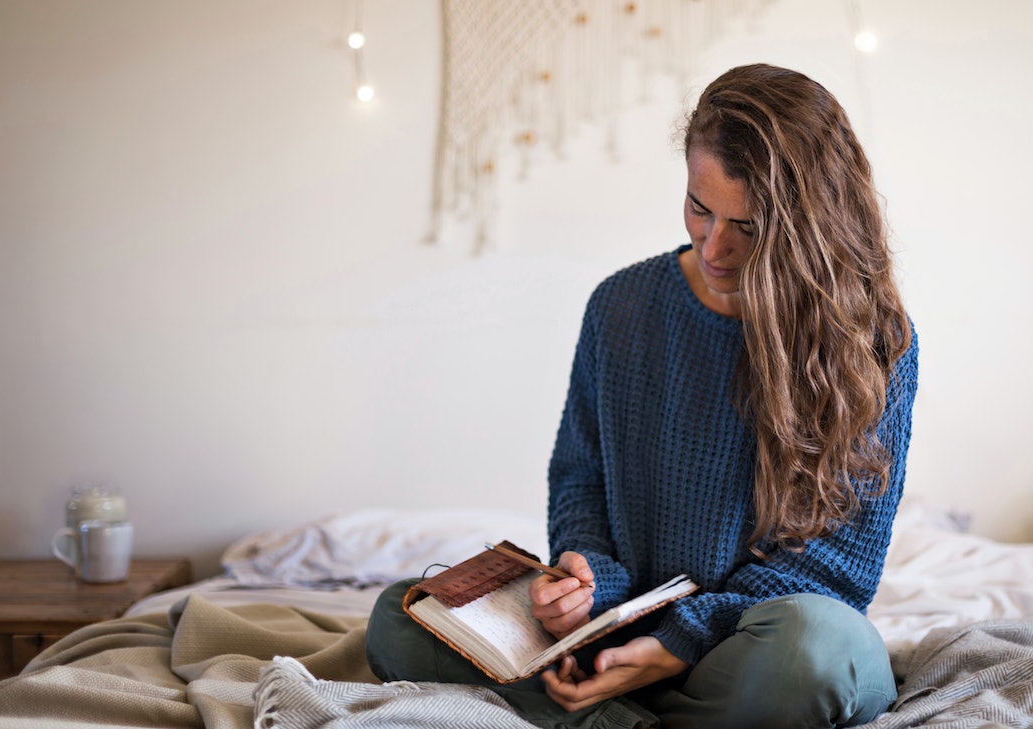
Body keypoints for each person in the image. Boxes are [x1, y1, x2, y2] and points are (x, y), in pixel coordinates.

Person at [366, 63, 917, 729]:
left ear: (808, 225)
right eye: (698, 207)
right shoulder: (620, 305)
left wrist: (677, 644)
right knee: (402, 616)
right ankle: (623, 713)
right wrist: (585, 576)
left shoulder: (870, 340)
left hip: (740, 648)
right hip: (616, 640)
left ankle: (605, 716)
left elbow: (834, 573)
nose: (714, 246)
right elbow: (580, 476)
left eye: (748, 225)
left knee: (823, 650)